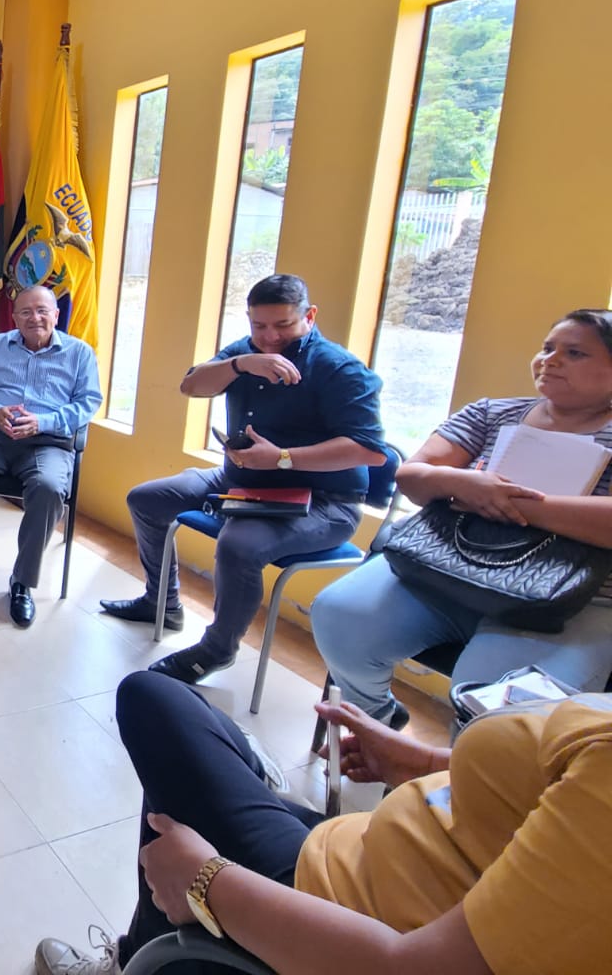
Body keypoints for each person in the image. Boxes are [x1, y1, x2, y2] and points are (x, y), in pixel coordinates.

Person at [33, 669, 612, 974]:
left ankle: (141, 956)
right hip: (377, 847)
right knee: (188, 762)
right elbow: (553, 794)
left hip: (341, 905)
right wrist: (424, 763)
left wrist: (207, 880)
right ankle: (147, 946)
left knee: (154, 703)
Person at [312, 308, 612, 726]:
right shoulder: (491, 413)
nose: (550, 360)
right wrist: (463, 483)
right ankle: (377, 722)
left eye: (575, 353)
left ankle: (456, 768)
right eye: (548, 348)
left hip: (570, 603)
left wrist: (505, 501)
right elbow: (413, 477)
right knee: (339, 615)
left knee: (490, 706)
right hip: (449, 569)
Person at [102, 274, 385, 682]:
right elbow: (191, 386)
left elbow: (370, 451)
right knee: (146, 499)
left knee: (238, 545)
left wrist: (283, 459)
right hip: (240, 482)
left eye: (283, 325)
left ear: (310, 316)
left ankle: (217, 649)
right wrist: (241, 364)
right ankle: (161, 601)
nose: (269, 337)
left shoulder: (339, 369)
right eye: (259, 326)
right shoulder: (247, 351)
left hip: (323, 502)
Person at [0, 284, 101, 627]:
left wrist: (43, 422)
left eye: (42, 311)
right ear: (14, 317)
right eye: (25, 312)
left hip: (48, 442)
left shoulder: (80, 353)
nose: (34, 318)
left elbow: (88, 403)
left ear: (56, 315)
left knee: (49, 487)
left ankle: (22, 581)